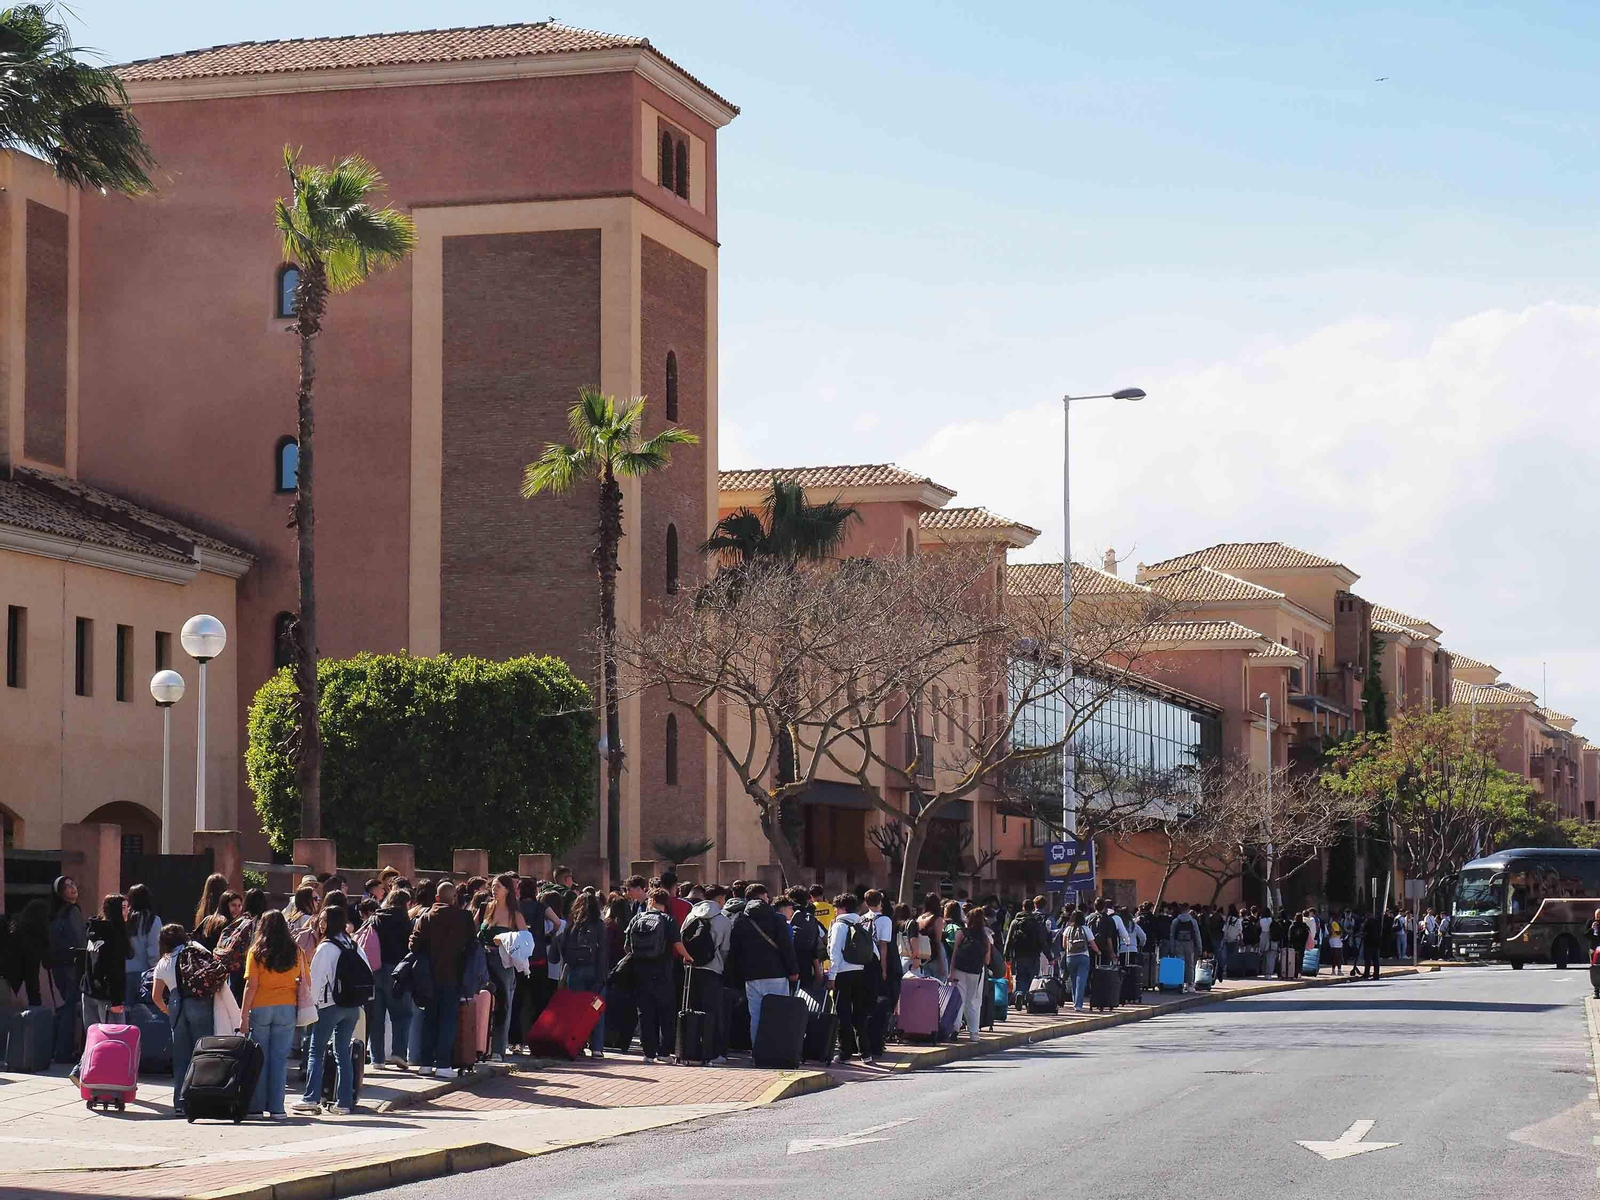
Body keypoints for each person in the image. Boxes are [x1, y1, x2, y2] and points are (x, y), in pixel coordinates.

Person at [294, 906, 361, 1115]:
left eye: (322, 920)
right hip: (352, 1007)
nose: (319, 923)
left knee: (316, 1051)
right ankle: (344, 1102)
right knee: (342, 1053)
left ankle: (311, 1098)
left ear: (328, 922)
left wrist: (311, 1005)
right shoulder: (353, 944)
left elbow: (316, 980)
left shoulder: (326, 947)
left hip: (329, 1006)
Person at [241, 910, 306, 1119]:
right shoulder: (296, 951)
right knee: (279, 1060)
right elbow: (306, 981)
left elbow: (251, 986)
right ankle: (277, 1108)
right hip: (287, 1007)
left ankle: (256, 1108)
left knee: (260, 1058)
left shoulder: (256, 951)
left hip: (261, 1006)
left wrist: (243, 1016)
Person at [409, 880, 475, 1079]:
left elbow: (414, 945)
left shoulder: (426, 917)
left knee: (429, 1019)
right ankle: (444, 1064)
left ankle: (426, 1063)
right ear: (454, 898)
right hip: (454, 976)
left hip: (429, 976)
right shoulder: (464, 917)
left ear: (437, 898)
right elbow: (473, 945)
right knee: (448, 1021)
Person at [150, 923, 217, 1115]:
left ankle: (181, 1102)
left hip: (176, 1003)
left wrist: (167, 1010)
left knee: (181, 1057)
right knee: (204, 1053)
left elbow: (156, 996)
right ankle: (204, 1100)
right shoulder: (196, 950)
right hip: (199, 1001)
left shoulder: (163, 961)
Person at [727, 883, 799, 1050]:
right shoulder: (776, 919)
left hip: (751, 976)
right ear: (764, 896)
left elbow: (735, 952)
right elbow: (786, 947)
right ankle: (778, 1051)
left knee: (756, 1016)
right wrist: (793, 970)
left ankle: (758, 1052)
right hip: (776, 974)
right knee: (778, 1014)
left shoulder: (740, 921)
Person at [625, 888, 689, 1063]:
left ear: (651, 900)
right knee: (666, 1013)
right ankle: (664, 1052)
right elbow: (677, 944)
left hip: (641, 971)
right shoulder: (669, 920)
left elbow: (627, 947)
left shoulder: (637, 919)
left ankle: (648, 1053)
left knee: (645, 1013)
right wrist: (689, 957)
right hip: (663, 972)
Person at [477, 873, 526, 1063]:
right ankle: (481, 1046)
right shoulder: (486, 908)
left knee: (503, 1003)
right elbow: (475, 931)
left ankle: (498, 1049)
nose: (494, 889)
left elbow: (526, 939)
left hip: (503, 961)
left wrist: (506, 939)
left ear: (507, 890)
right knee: (481, 1000)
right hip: (483, 958)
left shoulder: (515, 914)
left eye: (498, 886)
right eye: (493, 886)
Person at [558, 891, 611, 1058]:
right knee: (596, 1009)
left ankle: (577, 1044)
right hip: (595, 970)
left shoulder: (572, 925)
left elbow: (563, 948)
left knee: (576, 1010)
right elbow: (603, 951)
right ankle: (597, 1048)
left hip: (576, 970)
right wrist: (602, 975)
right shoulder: (600, 925)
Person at [827, 894, 879, 1062]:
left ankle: (845, 1053)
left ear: (841, 908)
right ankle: (866, 1052)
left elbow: (834, 953)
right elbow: (875, 952)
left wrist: (831, 976)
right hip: (861, 973)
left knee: (843, 1014)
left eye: (836, 908)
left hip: (843, 974)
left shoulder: (839, 925)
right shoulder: (861, 924)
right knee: (859, 1014)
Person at [367, 887, 414, 1070]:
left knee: (376, 1015)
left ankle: (377, 1058)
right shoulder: (406, 921)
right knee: (402, 1014)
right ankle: (399, 1053)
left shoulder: (375, 918)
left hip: (375, 970)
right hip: (398, 972)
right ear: (406, 904)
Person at [48, 875, 86, 1062]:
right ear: (60, 892)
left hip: (58, 965)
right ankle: (64, 1052)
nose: (72, 888)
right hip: (73, 966)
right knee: (71, 1009)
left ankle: (59, 1049)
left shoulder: (55, 913)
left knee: (65, 1007)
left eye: (73, 883)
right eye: (67, 886)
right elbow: (80, 942)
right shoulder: (72, 911)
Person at [80, 893, 130, 1031]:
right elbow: (115, 969)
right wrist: (117, 1000)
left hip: (89, 991)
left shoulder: (94, 931)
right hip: (107, 997)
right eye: (124, 907)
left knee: (93, 1038)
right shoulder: (114, 934)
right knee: (115, 1038)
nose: (127, 911)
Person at [946, 905, 995, 1042]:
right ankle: (974, 1033)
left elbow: (955, 953)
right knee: (971, 1001)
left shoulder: (961, 933)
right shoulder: (985, 937)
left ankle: (955, 1029)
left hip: (959, 969)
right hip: (975, 972)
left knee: (958, 999)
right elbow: (987, 960)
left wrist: (951, 971)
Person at [125, 883, 162, 1007]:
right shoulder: (152, 920)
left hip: (124, 972)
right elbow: (154, 950)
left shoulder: (125, 920)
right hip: (144, 973)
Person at [1004, 898, 1046, 1000]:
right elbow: (1042, 941)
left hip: (1019, 954)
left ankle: (1019, 994)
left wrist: (1006, 956)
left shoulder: (1015, 922)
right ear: (1033, 908)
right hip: (1034, 955)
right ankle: (1029, 999)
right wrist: (1049, 956)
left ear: (1023, 908)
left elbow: (1008, 940)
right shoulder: (1037, 922)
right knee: (1032, 978)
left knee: (1020, 977)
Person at [1060, 910, 1093, 1010]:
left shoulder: (1068, 929)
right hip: (1083, 956)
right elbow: (1092, 943)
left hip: (1070, 957)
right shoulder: (1085, 929)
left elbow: (1064, 945)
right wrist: (1099, 951)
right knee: (1081, 981)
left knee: (1074, 981)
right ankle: (1078, 1004)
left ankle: (1075, 1002)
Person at [1169, 903, 1203, 993]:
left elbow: (1172, 935)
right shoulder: (1192, 921)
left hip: (1178, 944)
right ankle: (1190, 985)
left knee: (1180, 964)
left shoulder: (1175, 921)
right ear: (1188, 909)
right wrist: (1200, 947)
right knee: (1190, 965)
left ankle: (1180, 984)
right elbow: (1197, 934)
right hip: (1190, 944)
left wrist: (1172, 948)